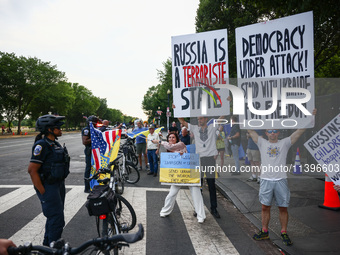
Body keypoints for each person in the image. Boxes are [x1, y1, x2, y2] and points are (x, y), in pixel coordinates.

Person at [248, 108, 316, 246]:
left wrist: (311, 117)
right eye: (270, 131)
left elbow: (299, 131)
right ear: (266, 133)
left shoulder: (284, 142)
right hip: (266, 180)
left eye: (275, 131)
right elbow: (249, 129)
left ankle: (284, 232)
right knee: (264, 207)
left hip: (281, 180)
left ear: (278, 132)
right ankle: (264, 231)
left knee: (283, 208)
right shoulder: (262, 142)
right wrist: (241, 111)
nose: (272, 133)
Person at [28, 114, 70, 246]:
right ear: (49, 129)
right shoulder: (41, 145)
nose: (60, 129)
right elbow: (32, 170)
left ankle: (47, 247)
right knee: (57, 219)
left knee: (54, 218)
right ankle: (54, 248)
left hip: (58, 185)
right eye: (57, 127)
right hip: (48, 187)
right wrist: (43, 191)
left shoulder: (55, 143)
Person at [152, 132, 206, 223]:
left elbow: (171, 147)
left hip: (189, 173)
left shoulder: (180, 144)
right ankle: (165, 211)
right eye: (169, 137)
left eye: (173, 137)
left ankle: (201, 215)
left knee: (196, 193)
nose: (171, 139)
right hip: (178, 175)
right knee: (172, 194)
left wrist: (159, 141)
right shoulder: (168, 149)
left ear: (177, 139)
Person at [178, 116, 222, 218]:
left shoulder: (212, 127)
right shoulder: (194, 128)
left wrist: (227, 102)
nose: (199, 120)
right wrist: (177, 108)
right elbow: (182, 121)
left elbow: (222, 117)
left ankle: (214, 209)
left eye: (201, 119)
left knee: (211, 185)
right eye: (198, 119)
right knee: (198, 185)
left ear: (206, 119)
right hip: (199, 160)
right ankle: (198, 208)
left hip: (210, 159)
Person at [82, 115, 99, 193]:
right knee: (88, 169)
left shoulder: (94, 129)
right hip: (89, 151)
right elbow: (85, 141)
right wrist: (94, 138)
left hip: (95, 151)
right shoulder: (87, 130)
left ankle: (94, 185)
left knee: (96, 168)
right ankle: (87, 187)